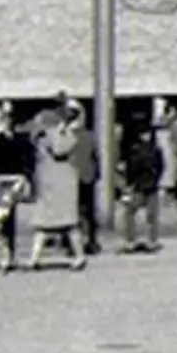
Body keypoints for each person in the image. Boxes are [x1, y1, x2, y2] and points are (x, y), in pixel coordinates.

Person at [27, 107, 86, 271]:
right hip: (57, 185)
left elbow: (59, 149)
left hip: (57, 186)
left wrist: (60, 131)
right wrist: (61, 131)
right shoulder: (53, 136)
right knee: (56, 224)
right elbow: (60, 148)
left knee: (60, 224)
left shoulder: (47, 137)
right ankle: (36, 257)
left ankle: (36, 258)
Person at [119, 125, 165, 253]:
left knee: (130, 212)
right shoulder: (156, 150)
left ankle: (131, 240)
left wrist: (129, 183)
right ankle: (152, 241)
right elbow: (161, 167)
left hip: (139, 186)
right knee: (152, 215)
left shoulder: (136, 150)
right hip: (152, 185)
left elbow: (132, 169)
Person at [65, 102, 101, 255]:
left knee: (74, 213)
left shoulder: (66, 136)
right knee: (88, 213)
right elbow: (95, 157)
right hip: (86, 177)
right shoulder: (88, 136)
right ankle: (90, 241)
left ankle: (74, 244)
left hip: (72, 178)